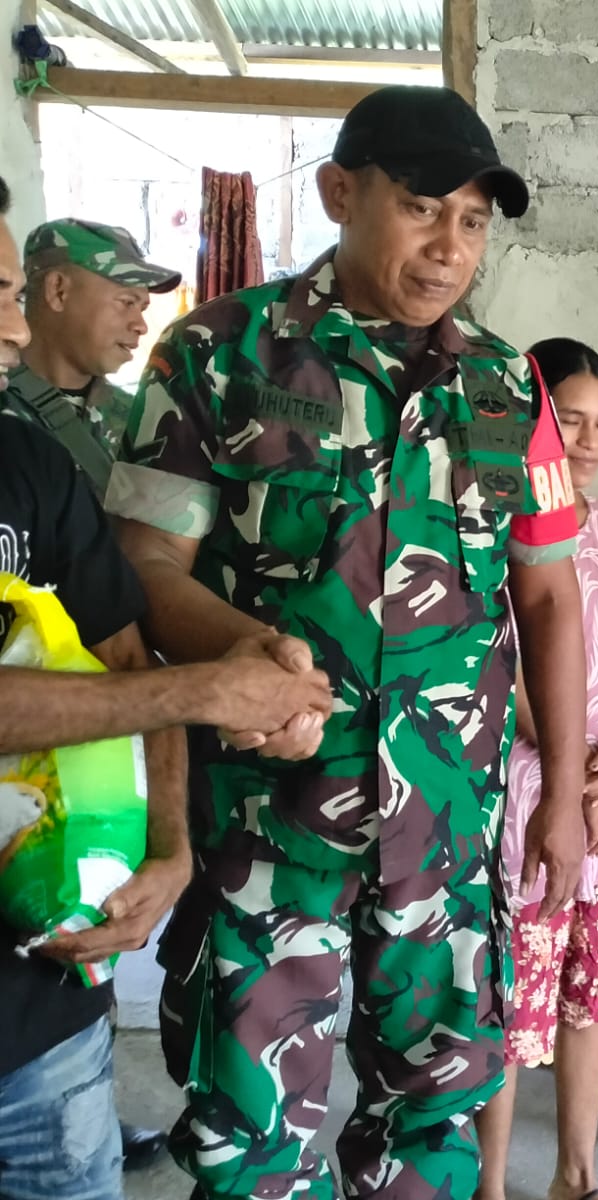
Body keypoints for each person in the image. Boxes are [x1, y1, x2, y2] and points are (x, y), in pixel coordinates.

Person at [102, 87, 589, 1200]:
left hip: (445, 832)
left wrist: (561, 793)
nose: (450, 246)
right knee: (249, 1135)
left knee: (433, 1117)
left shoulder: (506, 384)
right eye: (423, 208)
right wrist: (247, 652)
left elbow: (551, 599)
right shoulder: (219, 354)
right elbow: (143, 568)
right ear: (339, 193)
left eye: (474, 221)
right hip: (266, 829)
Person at [0, 174, 335, 1200]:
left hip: (42, 1010)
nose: (12, 325)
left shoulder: (28, 460)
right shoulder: (207, 363)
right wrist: (206, 692)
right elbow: (159, 676)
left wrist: (170, 847)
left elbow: (126, 646)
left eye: (9, 292)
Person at [1, 216, 184, 1173]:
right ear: (58, 290)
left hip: (95, 768)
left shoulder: (107, 426)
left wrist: (168, 838)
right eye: (123, 296)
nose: (138, 318)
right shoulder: (24, 420)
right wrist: (204, 689)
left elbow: (128, 626)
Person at [475, 338, 598, 1200]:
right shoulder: (491, 525)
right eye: (570, 421)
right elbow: (500, 664)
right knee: (513, 1009)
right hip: (530, 797)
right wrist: (576, 777)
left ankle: (575, 1175)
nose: (588, 442)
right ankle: (489, 1185)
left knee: (594, 999)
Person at [1, 219, 180, 502]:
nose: (141, 325)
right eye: (127, 302)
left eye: (142, 308)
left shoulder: (141, 419)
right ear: (58, 290)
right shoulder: (6, 410)